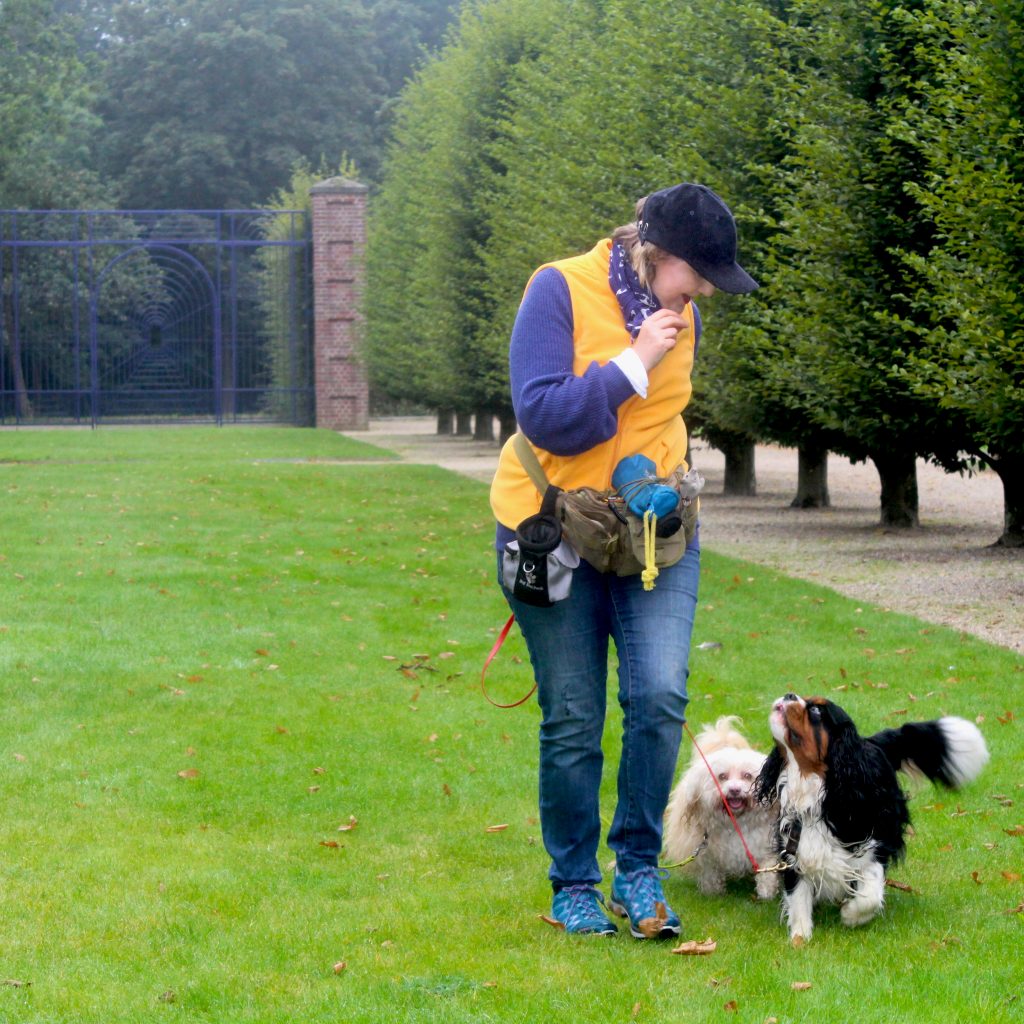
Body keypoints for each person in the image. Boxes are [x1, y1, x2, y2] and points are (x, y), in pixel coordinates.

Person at [489, 183, 759, 938]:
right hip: (551, 529)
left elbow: (660, 420)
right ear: (656, 251)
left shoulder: (686, 319)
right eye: (698, 271)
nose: (704, 289)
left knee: (661, 698)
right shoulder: (558, 289)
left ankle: (638, 871)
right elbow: (543, 414)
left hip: (652, 535)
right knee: (573, 717)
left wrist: (657, 483)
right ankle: (574, 883)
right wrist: (630, 365)